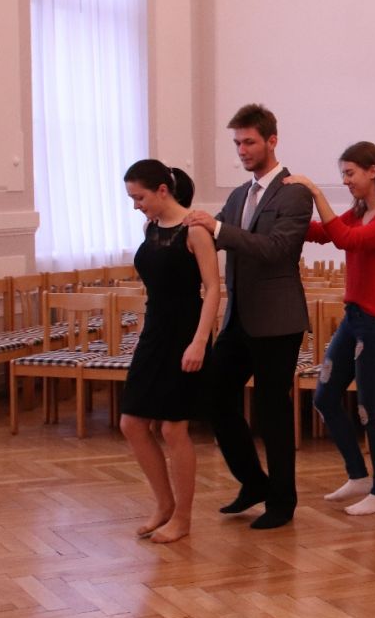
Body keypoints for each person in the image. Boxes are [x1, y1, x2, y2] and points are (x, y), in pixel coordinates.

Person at [184, 104, 312, 530]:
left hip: (277, 320)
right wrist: (184, 227)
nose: (241, 150)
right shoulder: (240, 194)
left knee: (272, 411)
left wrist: (217, 229)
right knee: (214, 398)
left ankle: (282, 502)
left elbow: (277, 249)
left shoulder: (294, 193)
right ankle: (254, 482)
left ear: (272, 140)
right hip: (238, 318)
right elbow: (214, 237)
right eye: (237, 142)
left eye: (249, 142)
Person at [285, 142, 375, 516]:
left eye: (350, 173)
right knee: (324, 397)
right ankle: (359, 475)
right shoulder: (359, 212)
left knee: (371, 409)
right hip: (354, 318)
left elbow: (346, 239)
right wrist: (282, 220)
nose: (346, 180)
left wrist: (315, 191)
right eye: (343, 174)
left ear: (373, 171)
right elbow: (324, 232)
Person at [118, 161, 220, 543]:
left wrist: (199, 341)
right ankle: (163, 504)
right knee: (131, 423)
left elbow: (213, 288)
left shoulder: (195, 231)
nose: (136, 205)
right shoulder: (150, 228)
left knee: (173, 427)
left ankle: (183, 518)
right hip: (155, 332)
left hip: (185, 333)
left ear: (162, 190)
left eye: (139, 197)